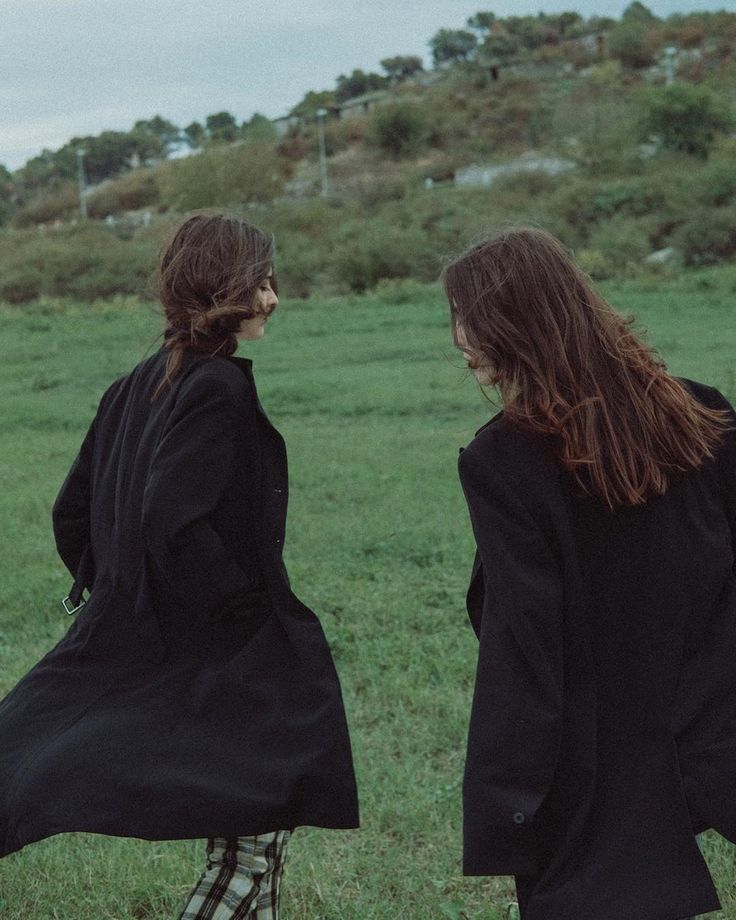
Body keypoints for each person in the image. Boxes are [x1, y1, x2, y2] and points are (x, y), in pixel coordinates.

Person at [0, 211, 359, 918]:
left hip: (169, 635)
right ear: (225, 288)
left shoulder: (132, 386)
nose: (274, 298)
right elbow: (172, 517)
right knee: (251, 852)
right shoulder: (217, 387)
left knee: (253, 835)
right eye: (260, 282)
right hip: (229, 645)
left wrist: (122, 593)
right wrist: (233, 609)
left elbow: (72, 514)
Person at [444, 227, 736, 920]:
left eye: (462, 315)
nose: (455, 335)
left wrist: (512, 797)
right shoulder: (703, 413)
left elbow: (526, 646)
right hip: (710, 708)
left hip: (596, 747)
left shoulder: (503, 460)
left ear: (509, 321)